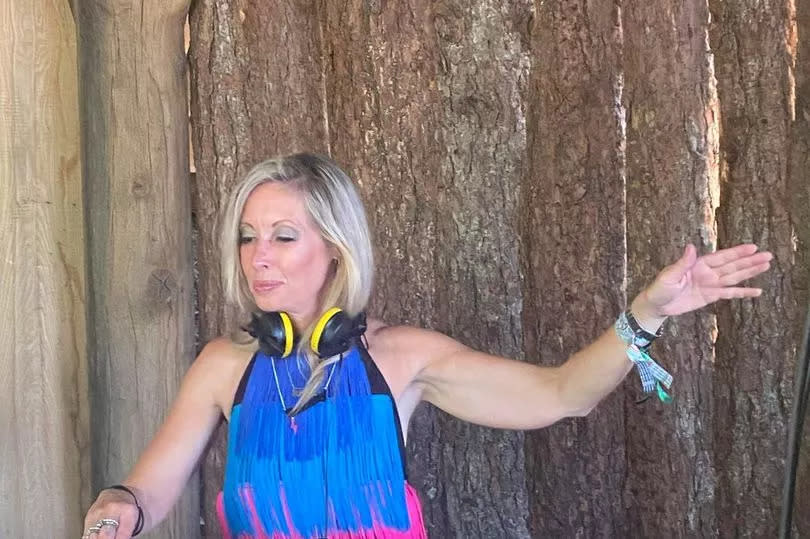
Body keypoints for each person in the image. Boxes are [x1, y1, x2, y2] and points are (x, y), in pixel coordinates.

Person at [81, 153, 772, 539]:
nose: (259, 255)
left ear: (334, 249)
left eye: (283, 236)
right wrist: (118, 509)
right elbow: (146, 488)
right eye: (247, 235)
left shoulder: (403, 359)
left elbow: (565, 393)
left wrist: (646, 311)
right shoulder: (220, 367)